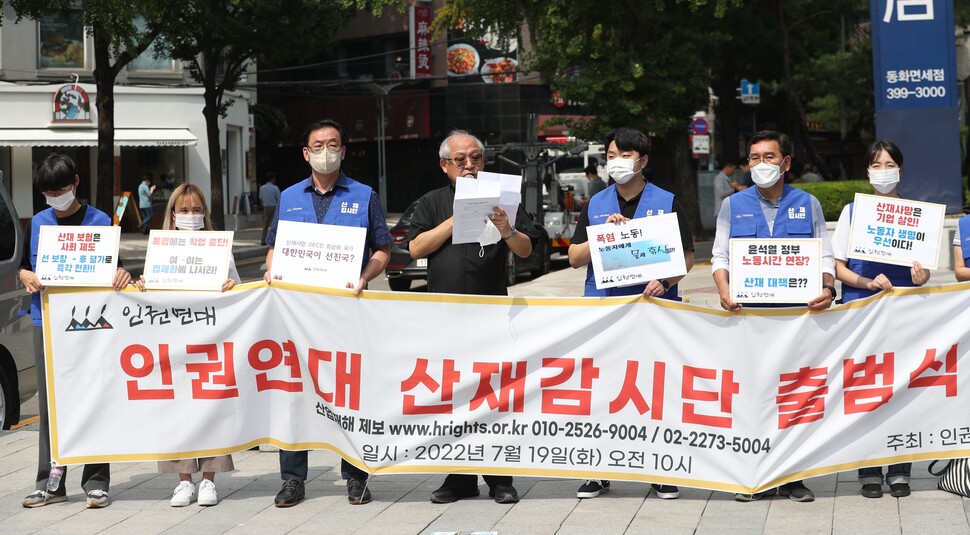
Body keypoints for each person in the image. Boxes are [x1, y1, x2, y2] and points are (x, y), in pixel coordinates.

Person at [263, 119, 392, 507]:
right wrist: (271, 270)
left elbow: (382, 251)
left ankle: (356, 475)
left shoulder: (364, 194)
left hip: (347, 313)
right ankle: (292, 479)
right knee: (295, 395)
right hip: (297, 317)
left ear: (343, 151)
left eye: (332, 144)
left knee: (351, 394)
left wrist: (364, 278)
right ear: (305, 153)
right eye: (317, 145)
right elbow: (273, 248)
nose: (325, 151)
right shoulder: (288, 197)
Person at [408, 129, 541, 504]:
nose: (469, 166)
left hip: (492, 315)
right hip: (444, 317)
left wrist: (506, 229)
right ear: (444, 166)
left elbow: (527, 249)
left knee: (493, 396)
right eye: (460, 160)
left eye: (476, 158)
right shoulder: (432, 202)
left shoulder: (504, 196)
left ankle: (499, 477)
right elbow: (416, 246)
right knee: (453, 397)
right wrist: (455, 217)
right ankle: (459, 477)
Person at [566, 127, 693, 500]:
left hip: (654, 309)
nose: (616, 162)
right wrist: (599, 235)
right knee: (603, 388)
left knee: (654, 388)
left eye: (624, 155)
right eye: (610, 155)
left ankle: (660, 469)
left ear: (643, 161)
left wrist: (664, 281)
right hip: (605, 308)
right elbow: (574, 258)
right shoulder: (596, 204)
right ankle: (598, 470)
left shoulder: (667, 201)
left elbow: (686, 257)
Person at [711, 130, 836, 503]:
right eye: (754, 158)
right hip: (749, 320)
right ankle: (752, 476)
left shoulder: (808, 203)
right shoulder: (733, 206)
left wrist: (828, 289)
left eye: (769, 157)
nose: (760, 164)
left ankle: (792, 477)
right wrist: (723, 290)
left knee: (795, 397)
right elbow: (720, 257)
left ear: (786, 162)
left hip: (797, 321)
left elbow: (825, 255)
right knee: (752, 396)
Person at [17, 153, 132, 509]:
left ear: (76, 183)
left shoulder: (100, 221)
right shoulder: (37, 222)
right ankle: (50, 483)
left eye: (62, 188)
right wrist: (26, 276)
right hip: (46, 322)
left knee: (94, 396)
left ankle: (96, 482)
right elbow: (23, 267)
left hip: (91, 323)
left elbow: (119, 269)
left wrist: (122, 275)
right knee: (52, 403)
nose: (56, 196)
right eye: (49, 191)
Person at [830, 139, 927, 499]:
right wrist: (866, 281)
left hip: (904, 311)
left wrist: (921, 278)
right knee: (865, 390)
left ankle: (901, 469)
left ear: (900, 169)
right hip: (863, 309)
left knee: (902, 386)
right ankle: (868, 468)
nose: (883, 171)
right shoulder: (851, 212)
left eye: (889, 164)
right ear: (867, 171)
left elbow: (924, 270)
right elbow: (838, 267)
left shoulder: (916, 214)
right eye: (877, 165)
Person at [133, 184, 239, 506]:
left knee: (211, 407)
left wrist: (231, 285)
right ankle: (183, 481)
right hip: (173, 340)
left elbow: (237, 288)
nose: (190, 216)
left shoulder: (220, 247)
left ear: (205, 213)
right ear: (173, 214)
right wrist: (141, 286)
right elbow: (151, 292)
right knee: (175, 408)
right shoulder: (161, 248)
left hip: (209, 340)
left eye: (196, 210)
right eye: (184, 210)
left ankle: (208, 479)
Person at [259, 172, 280, 245]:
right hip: (274, 207)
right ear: (272, 179)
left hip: (265, 207)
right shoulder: (275, 188)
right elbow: (278, 198)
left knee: (265, 225)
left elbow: (261, 199)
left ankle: (263, 240)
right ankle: (274, 239)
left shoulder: (262, 188)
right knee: (274, 224)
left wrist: (263, 205)